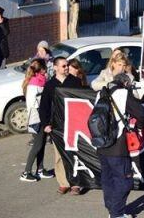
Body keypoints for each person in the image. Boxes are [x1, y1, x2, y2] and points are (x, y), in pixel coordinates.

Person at [97, 74, 144, 218]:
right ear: (125, 83)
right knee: (125, 180)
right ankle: (117, 214)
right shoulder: (123, 93)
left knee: (108, 179)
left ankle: (112, 209)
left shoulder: (102, 92)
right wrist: (138, 127)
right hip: (118, 145)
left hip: (101, 144)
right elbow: (141, 113)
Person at [38, 57, 83, 193]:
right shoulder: (50, 85)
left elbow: (82, 101)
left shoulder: (75, 82)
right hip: (57, 126)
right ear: (56, 68)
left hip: (74, 124)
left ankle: (76, 183)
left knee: (74, 154)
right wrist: (46, 124)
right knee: (59, 156)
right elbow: (44, 107)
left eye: (67, 65)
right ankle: (64, 182)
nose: (66, 68)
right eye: (63, 66)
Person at [20, 59, 51, 182]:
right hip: (36, 118)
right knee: (37, 145)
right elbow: (34, 105)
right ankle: (26, 172)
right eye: (45, 68)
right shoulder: (35, 84)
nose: (47, 70)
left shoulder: (40, 81)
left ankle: (40, 168)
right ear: (41, 70)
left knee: (42, 144)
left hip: (40, 117)